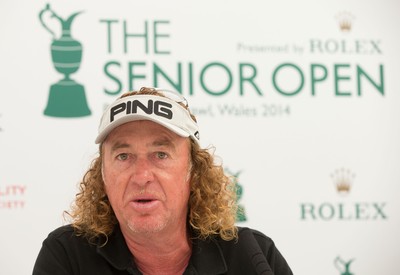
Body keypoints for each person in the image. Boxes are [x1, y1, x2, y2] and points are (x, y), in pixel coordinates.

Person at [33, 87, 293, 275]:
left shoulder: (252, 255)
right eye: (123, 156)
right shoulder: (67, 256)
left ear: (193, 170)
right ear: (102, 175)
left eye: (161, 154)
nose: (142, 176)